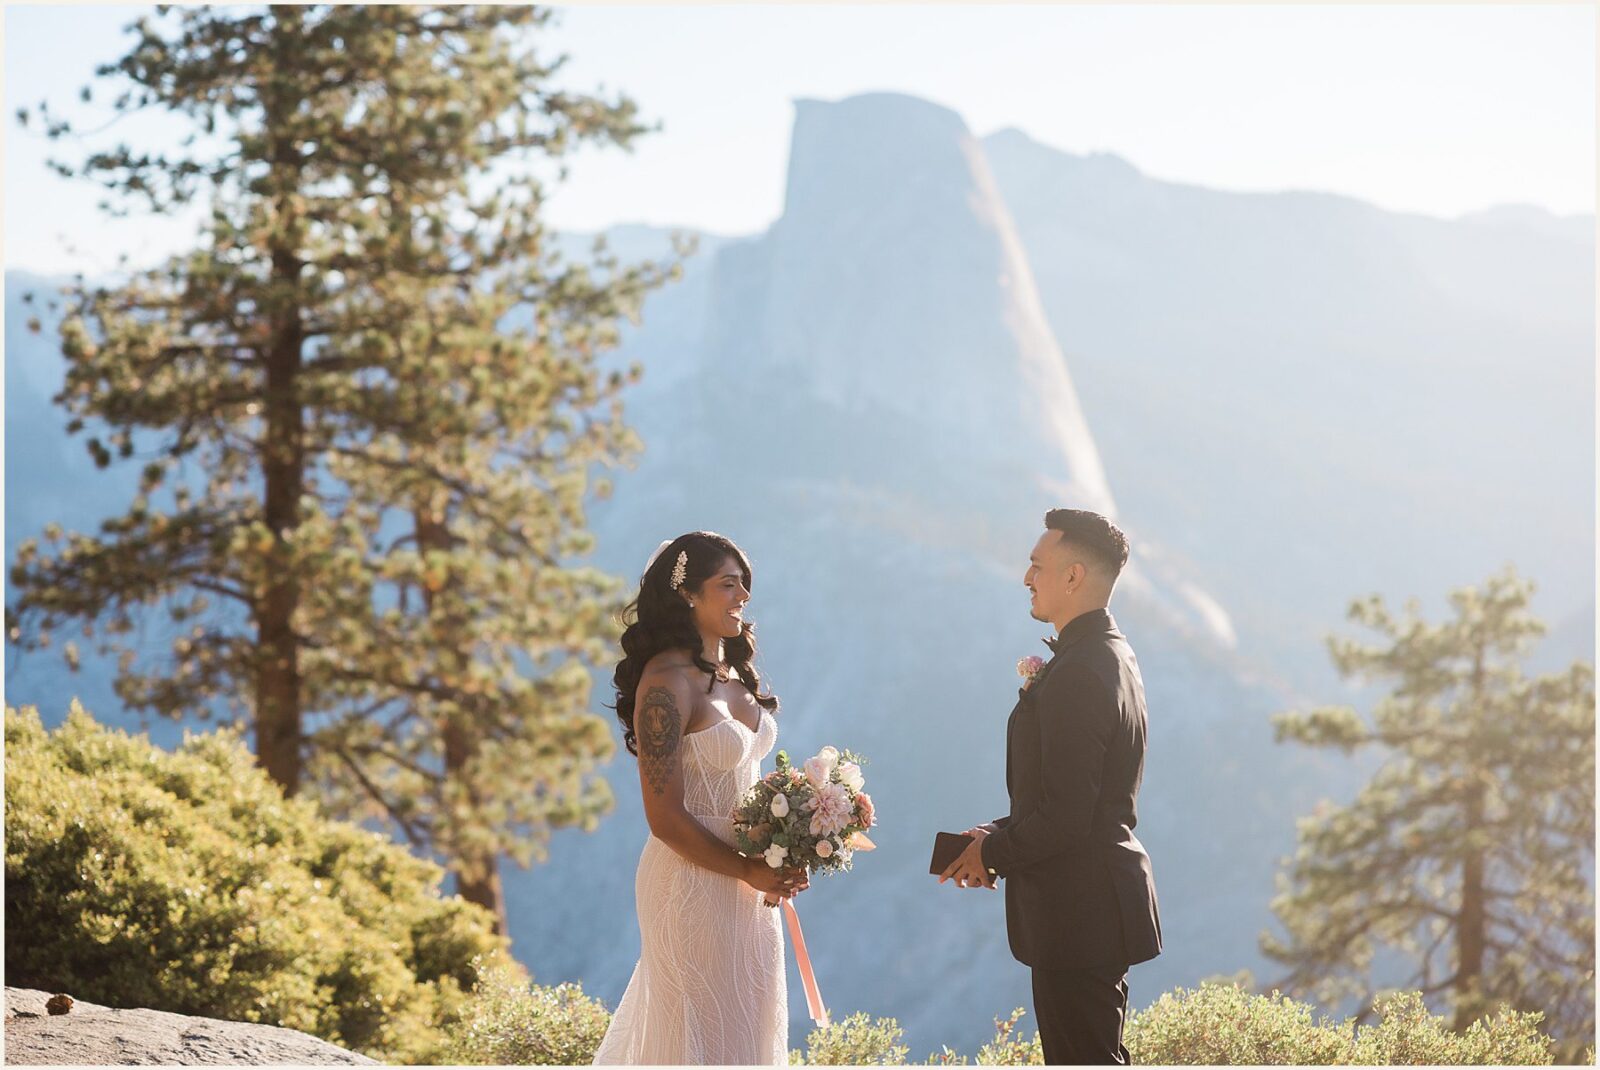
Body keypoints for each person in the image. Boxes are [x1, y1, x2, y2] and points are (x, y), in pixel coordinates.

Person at [941, 508, 1163, 1065]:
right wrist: (992, 835)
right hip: (1088, 908)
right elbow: (1072, 796)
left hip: (1079, 913)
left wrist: (991, 853)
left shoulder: (1082, 671)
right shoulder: (1108, 653)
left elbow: (1068, 816)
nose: (1026, 577)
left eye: (1037, 565)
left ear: (1073, 576)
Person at [592, 531, 806, 1065]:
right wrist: (747, 868)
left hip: (750, 887)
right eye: (728, 584)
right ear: (688, 593)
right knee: (698, 1039)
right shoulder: (665, 685)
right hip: (691, 882)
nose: (743, 596)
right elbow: (664, 817)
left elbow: (749, 785)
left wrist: (790, 842)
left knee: (749, 1029)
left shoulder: (735, 677)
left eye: (744, 585)